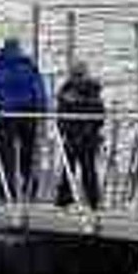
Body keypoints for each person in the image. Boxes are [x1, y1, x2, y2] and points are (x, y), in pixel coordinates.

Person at [0, 37, 47, 202]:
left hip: (6, 116)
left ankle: (7, 195)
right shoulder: (29, 66)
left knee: (6, 157)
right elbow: (40, 92)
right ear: (19, 49)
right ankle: (30, 190)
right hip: (29, 115)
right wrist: (42, 114)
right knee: (28, 155)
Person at [55, 61, 104, 210]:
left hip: (80, 135)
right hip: (80, 135)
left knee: (79, 169)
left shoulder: (67, 91)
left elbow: (61, 115)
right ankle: (90, 200)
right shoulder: (91, 91)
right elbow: (99, 116)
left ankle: (68, 199)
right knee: (81, 169)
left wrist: (66, 129)